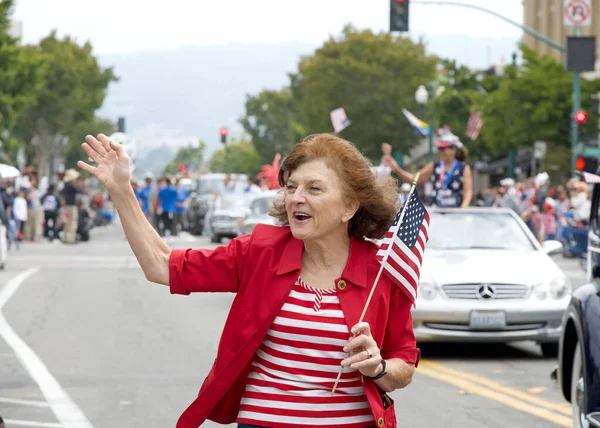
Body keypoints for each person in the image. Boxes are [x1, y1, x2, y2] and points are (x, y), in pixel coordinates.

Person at [78, 133, 419, 428]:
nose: (296, 198)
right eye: (291, 187)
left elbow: (403, 365)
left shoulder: (384, 270)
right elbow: (161, 266)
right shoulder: (259, 251)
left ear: (349, 207)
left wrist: (378, 368)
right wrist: (121, 188)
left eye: (314, 188)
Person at [384, 128, 473, 208]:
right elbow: (414, 178)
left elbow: (468, 192)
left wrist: (463, 209)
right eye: (440, 149)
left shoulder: (464, 168)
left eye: (444, 148)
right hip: (437, 211)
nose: (441, 151)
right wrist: (397, 169)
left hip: (456, 213)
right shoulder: (434, 166)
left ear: (454, 149)